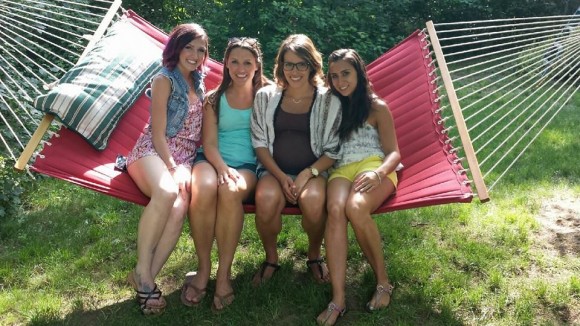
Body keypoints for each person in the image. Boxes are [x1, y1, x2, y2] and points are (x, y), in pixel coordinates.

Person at [124, 23, 208, 315]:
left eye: (201, 50)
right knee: (166, 191)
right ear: (177, 47)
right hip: (152, 151)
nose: (195, 55)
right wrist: (173, 167)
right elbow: (158, 134)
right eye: (189, 47)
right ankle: (144, 277)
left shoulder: (199, 82)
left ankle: (143, 278)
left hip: (184, 158)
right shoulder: (164, 80)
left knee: (179, 206)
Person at [181, 37, 269, 312]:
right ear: (226, 64)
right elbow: (208, 143)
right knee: (205, 187)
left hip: (248, 165)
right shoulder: (214, 99)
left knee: (231, 191)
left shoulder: (267, 95)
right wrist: (221, 168)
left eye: (247, 62)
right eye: (234, 61)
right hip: (213, 159)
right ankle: (203, 269)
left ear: (256, 66)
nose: (240, 68)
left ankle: (224, 274)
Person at [316, 49, 401, 326]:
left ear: (359, 73)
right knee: (335, 209)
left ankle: (383, 282)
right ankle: (338, 298)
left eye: (346, 74)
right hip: (340, 169)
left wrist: (379, 173)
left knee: (356, 207)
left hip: (373, 166)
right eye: (335, 76)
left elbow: (394, 153)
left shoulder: (377, 107)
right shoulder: (331, 106)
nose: (340, 81)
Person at [250, 34, 342, 287]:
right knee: (266, 200)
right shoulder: (265, 97)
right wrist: (280, 177)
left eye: (301, 64)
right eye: (288, 64)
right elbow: (259, 142)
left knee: (313, 203)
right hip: (273, 170)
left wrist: (307, 174)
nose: (295, 70)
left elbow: (333, 149)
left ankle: (314, 254)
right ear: (280, 66)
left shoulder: (328, 100)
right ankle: (271, 257)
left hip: (313, 172)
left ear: (312, 65)